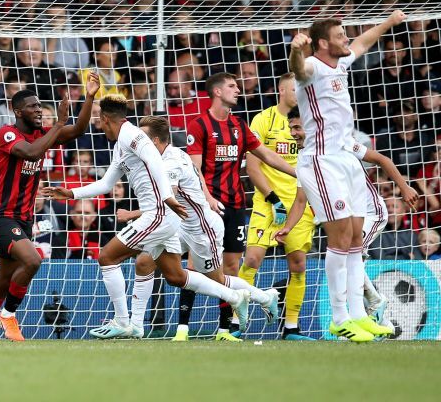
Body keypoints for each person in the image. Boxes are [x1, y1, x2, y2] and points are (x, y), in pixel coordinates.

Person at [43, 98, 253, 339]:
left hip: (159, 214)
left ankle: (123, 322)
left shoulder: (133, 135)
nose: (100, 127)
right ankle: (235, 296)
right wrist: (71, 193)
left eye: (100, 122)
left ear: (105, 119)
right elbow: (107, 183)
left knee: (107, 256)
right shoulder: (120, 144)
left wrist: (167, 197)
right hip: (163, 216)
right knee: (174, 275)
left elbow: (154, 160)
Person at [288, 10, 406, 342]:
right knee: (340, 237)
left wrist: (388, 22)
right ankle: (339, 318)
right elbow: (297, 68)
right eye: (340, 35)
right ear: (322, 43)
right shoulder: (312, 68)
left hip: (345, 157)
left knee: (355, 237)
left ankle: (359, 314)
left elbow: (365, 41)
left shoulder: (340, 62)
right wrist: (297, 48)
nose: (346, 39)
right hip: (322, 160)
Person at [0, 71, 101, 342]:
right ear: (17, 111)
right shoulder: (6, 134)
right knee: (33, 260)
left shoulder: (42, 134)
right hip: (1, 215)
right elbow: (31, 152)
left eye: (39, 105)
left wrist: (89, 97)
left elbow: (79, 130)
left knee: (4, 279)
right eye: (33, 106)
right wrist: (59, 124)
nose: (38, 110)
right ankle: (8, 315)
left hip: (23, 217)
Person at [118, 116, 278, 341]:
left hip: (201, 229)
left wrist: (131, 215)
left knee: (217, 280)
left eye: (142, 138)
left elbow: (167, 199)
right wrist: (206, 196)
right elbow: (197, 176)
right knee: (144, 262)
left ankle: (264, 298)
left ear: (154, 140)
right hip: (178, 225)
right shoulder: (170, 154)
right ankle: (136, 327)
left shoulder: (170, 162)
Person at [277, 112, 419, 332]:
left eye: (298, 127)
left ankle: (366, 308)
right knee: (344, 259)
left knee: (348, 257)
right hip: (344, 217)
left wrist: (404, 186)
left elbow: (382, 159)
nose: (293, 133)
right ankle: (376, 313)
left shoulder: (341, 144)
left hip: (371, 213)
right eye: (291, 128)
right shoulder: (305, 159)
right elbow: (300, 200)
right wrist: (287, 227)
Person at [181, 72, 297, 339]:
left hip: (234, 206)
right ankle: (182, 328)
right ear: (218, 92)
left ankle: (224, 329)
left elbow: (266, 154)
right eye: (232, 86)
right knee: (194, 265)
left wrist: (297, 173)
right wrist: (207, 197)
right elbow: (194, 168)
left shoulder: (238, 125)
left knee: (231, 267)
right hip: (207, 206)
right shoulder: (199, 125)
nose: (238, 90)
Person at [238, 93, 315, 341]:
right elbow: (252, 166)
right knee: (251, 259)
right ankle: (235, 323)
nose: (299, 92)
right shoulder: (263, 119)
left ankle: (291, 327)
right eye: (294, 88)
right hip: (267, 199)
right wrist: (273, 199)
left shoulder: (313, 131)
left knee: (298, 265)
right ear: (283, 90)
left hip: (299, 201)